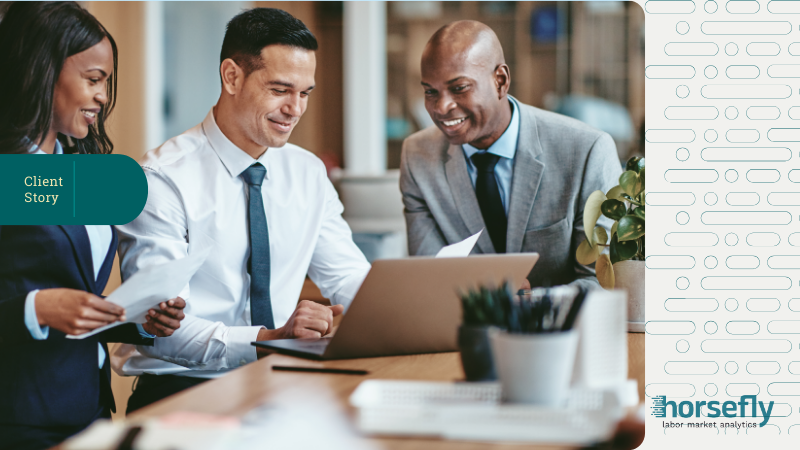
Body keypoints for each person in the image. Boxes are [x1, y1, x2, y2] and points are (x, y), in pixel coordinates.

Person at [115, 7, 371, 412]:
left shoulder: (307, 174)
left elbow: (348, 277)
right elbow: (164, 332)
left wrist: (398, 311)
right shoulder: (160, 180)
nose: (295, 109)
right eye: (280, 89)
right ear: (232, 76)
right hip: (183, 397)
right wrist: (272, 339)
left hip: (285, 388)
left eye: (305, 93)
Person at [0, 3, 185, 449]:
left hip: (90, 411)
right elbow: (43, 299)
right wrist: (36, 308)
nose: (103, 96)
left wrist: (138, 318)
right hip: (18, 420)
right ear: (43, 71)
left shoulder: (83, 172)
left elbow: (75, 293)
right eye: (93, 78)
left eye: (107, 82)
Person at [400, 21, 622, 289]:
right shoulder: (417, 157)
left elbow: (600, 282)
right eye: (430, 92)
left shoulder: (587, 151)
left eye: (459, 88)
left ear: (500, 81)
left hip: (560, 328)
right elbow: (430, 277)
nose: (441, 106)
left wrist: (529, 306)